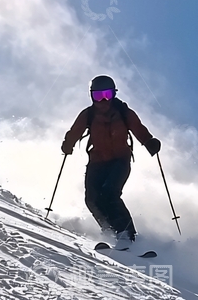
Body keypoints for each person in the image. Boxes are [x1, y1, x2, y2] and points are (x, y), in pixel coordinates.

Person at [61, 75, 161, 250]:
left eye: (107, 94)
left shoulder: (123, 112)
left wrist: (149, 142)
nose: (103, 100)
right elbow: (75, 130)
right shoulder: (89, 114)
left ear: (114, 94)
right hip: (97, 162)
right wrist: (68, 144)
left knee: (109, 192)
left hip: (120, 160)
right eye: (98, 96)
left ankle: (127, 233)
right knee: (91, 198)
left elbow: (138, 128)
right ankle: (109, 230)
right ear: (92, 96)